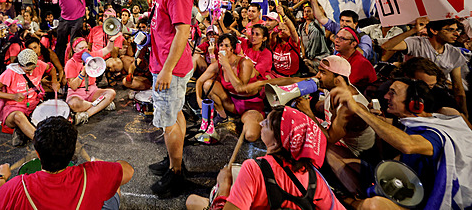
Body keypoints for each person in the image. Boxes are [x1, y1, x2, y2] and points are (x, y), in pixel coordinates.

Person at [333, 78, 472, 209]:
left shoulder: (435, 135)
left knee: (372, 205)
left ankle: (345, 201)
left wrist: (358, 110)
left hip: (423, 201)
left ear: (415, 104)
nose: (386, 97)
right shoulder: (414, 122)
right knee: (332, 152)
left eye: (392, 93)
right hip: (402, 182)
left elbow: (407, 145)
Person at [186, 106, 345, 210]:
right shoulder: (315, 178)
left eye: (267, 123)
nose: (261, 123)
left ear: (277, 142)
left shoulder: (253, 169)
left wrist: (224, 189)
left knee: (193, 202)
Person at [147, 0, 201, 196]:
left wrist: (166, 70)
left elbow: (183, 31)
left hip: (171, 67)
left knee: (168, 123)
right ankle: (173, 162)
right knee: (175, 114)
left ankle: (176, 173)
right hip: (166, 63)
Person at [0, 116, 134, 210]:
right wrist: (103, 164)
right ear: (73, 151)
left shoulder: (18, 185)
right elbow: (128, 170)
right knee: (113, 188)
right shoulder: (93, 172)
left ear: (38, 154)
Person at [294, 55, 375, 196]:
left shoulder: (349, 107)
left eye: (323, 73)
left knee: (326, 148)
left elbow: (330, 138)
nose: (318, 76)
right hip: (338, 137)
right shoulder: (334, 88)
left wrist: (308, 112)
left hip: (356, 152)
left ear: (338, 79)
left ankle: (356, 195)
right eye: (319, 71)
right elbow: (297, 82)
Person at [382, 17, 468, 117]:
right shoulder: (416, 43)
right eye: (450, 30)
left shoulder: (455, 53)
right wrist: (414, 30)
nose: (456, 34)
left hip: (436, 95)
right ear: (434, 30)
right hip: (409, 94)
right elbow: (386, 46)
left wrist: (464, 113)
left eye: (457, 30)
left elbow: (458, 87)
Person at [195, 34, 266, 142]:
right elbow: (199, 81)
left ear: (233, 48)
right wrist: (198, 99)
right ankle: (223, 116)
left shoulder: (245, 63)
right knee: (208, 84)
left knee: (250, 136)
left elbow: (240, 87)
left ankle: (251, 122)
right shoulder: (218, 64)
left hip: (250, 106)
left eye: (227, 45)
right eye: (221, 45)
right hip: (232, 103)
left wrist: (227, 66)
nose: (223, 48)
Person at [0, 48, 53, 146]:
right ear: (19, 65)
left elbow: (51, 68)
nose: (30, 72)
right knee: (19, 116)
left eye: (32, 69)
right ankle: (43, 143)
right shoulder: (10, 73)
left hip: (33, 106)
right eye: (27, 70)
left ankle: (23, 130)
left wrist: (55, 81)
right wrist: (13, 96)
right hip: (13, 109)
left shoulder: (39, 64)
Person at [65, 37, 117, 125]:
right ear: (74, 49)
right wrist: (82, 73)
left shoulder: (92, 56)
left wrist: (111, 40)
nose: (84, 50)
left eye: (86, 47)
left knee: (111, 93)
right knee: (74, 104)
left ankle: (86, 114)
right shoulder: (71, 63)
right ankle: (102, 105)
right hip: (77, 94)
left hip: (92, 91)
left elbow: (108, 49)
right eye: (81, 48)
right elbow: (73, 86)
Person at [307, 0, 373, 59]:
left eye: (348, 21)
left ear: (355, 24)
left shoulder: (364, 38)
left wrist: (344, 42)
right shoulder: (339, 29)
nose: (344, 24)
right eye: (342, 21)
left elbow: (363, 56)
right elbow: (321, 18)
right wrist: (313, 1)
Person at [49, 0, 88, 66]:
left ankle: (75, 66)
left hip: (78, 16)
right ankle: (60, 67)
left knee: (75, 44)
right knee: (60, 44)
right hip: (64, 17)